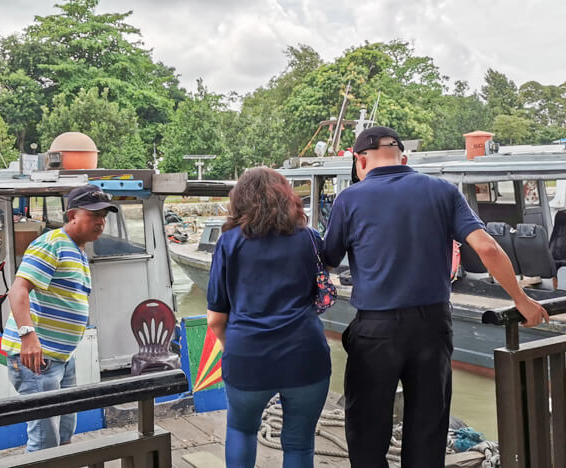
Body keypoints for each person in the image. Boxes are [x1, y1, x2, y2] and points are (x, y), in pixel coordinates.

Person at [324, 126, 548, 468]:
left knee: (367, 431)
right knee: (428, 428)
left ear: (360, 160)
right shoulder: (442, 191)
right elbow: (486, 246)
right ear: (404, 157)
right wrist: (521, 299)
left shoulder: (349, 199)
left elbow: (327, 257)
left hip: (376, 330)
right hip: (433, 326)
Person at [206, 167, 332, 468]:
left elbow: (215, 319)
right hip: (305, 354)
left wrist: (232, 346)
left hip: (247, 354)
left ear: (240, 200)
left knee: (241, 429)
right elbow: (322, 291)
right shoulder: (309, 237)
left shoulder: (228, 242)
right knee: (300, 444)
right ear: (287, 197)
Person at [0, 184, 117, 452]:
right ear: (73, 215)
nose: (101, 222)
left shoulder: (77, 248)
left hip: (62, 358)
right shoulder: (51, 243)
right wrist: (28, 337)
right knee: (44, 440)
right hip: (37, 358)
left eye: (104, 216)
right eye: (94, 215)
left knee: (64, 432)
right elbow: (19, 289)